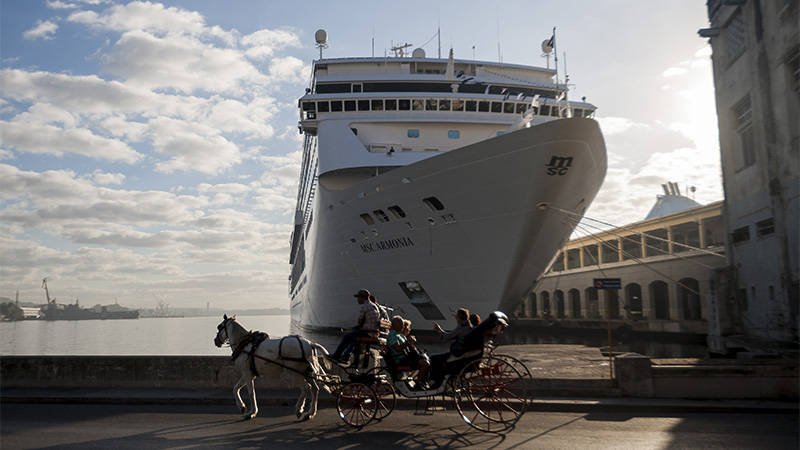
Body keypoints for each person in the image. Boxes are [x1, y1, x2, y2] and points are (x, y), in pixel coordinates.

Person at [330, 289, 380, 363]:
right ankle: (345, 357)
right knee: (353, 337)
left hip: (368, 333)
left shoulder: (365, 306)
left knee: (347, 337)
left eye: (358, 297)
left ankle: (337, 356)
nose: (357, 299)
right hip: (374, 333)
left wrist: (353, 328)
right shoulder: (374, 306)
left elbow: (360, 322)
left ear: (363, 298)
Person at [386, 316, 429, 387]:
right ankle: (419, 382)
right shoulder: (392, 335)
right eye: (401, 325)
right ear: (396, 325)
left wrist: (410, 343)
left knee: (427, 360)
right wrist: (408, 341)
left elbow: (405, 346)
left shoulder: (398, 335)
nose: (403, 327)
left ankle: (422, 381)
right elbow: (398, 349)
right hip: (400, 360)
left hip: (405, 358)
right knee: (425, 363)